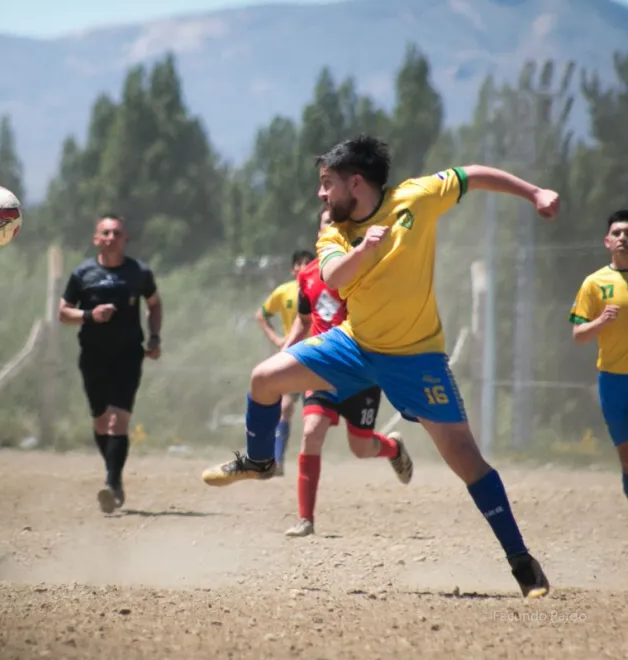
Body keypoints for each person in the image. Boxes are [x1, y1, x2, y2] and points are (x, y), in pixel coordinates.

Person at [201, 134, 558, 598]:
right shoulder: (334, 229)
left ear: (355, 182)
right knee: (263, 379)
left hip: (416, 357)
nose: (321, 194)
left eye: (327, 184)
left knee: (466, 458)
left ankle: (522, 564)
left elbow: (473, 175)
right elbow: (334, 277)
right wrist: (367, 249)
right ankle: (259, 460)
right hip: (355, 344)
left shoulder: (417, 197)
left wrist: (533, 193)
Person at [280, 206, 413, 538]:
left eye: (339, 224)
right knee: (311, 431)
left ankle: (393, 449)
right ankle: (306, 519)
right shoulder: (307, 275)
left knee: (360, 448)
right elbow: (304, 320)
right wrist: (283, 354)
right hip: (322, 367)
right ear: (320, 233)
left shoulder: (364, 269)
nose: (334, 228)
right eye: (328, 223)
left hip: (359, 369)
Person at [58, 214, 162, 514]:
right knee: (101, 420)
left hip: (129, 355)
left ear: (125, 239)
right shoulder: (82, 274)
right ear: (96, 239)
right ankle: (113, 474)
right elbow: (63, 312)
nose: (111, 237)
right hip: (92, 355)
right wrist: (91, 315)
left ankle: (112, 484)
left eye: (117, 233)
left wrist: (154, 337)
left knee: (118, 419)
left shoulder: (139, 272)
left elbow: (154, 304)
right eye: (105, 232)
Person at [569, 209, 628, 499]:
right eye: (617, 233)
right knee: (627, 459)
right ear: (607, 241)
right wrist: (601, 321)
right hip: (613, 381)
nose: (623, 239)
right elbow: (578, 335)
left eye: (627, 234)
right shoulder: (594, 283)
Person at [254, 249, 315, 475]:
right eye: (299, 263)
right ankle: (277, 460)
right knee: (286, 407)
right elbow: (261, 315)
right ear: (293, 269)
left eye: (308, 263)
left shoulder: (320, 288)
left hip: (319, 357)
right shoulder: (284, 292)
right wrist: (277, 338)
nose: (303, 267)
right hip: (294, 357)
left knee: (317, 415)